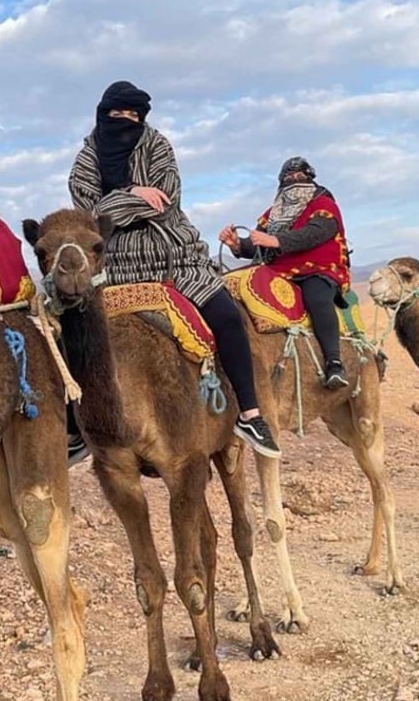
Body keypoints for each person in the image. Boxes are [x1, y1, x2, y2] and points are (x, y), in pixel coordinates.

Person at [69, 81, 281, 458]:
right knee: (74, 328)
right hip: (116, 265)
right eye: (118, 114)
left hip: (177, 258)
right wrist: (133, 192)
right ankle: (77, 426)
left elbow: (164, 203)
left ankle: (249, 413)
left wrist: (114, 202)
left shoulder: (157, 145)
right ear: (104, 115)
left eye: (133, 115)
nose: (126, 122)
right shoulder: (87, 159)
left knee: (228, 317)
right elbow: (90, 215)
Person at [218, 157, 351, 390]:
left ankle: (334, 362)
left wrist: (276, 240)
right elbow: (259, 244)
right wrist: (237, 244)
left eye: (299, 176)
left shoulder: (323, 205)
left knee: (317, 298)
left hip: (318, 268)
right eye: (288, 177)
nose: (293, 180)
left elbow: (315, 233)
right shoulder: (274, 213)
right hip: (279, 270)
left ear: (310, 178)